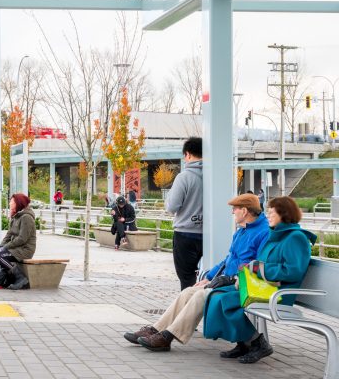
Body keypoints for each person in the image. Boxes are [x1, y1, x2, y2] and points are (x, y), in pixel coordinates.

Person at [125, 193, 270, 352]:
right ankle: (156, 329)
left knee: (201, 295)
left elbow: (257, 264)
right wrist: (208, 277)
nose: (232, 212)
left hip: (240, 283)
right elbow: (227, 260)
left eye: (234, 209)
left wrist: (230, 278)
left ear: (244, 211)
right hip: (226, 280)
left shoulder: (263, 232)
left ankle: (168, 336)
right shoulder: (241, 231)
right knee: (188, 292)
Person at [203, 196, 316, 364]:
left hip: (279, 293)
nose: (268, 215)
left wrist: (258, 268)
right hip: (267, 287)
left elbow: (293, 271)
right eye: (268, 211)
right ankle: (243, 343)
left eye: (272, 212)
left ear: (284, 214)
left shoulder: (295, 238)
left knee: (224, 299)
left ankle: (258, 343)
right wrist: (251, 270)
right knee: (216, 294)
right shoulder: (277, 235)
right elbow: (261, 263)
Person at [165, 137, 204, 290]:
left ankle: (188, 311)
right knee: (207, 279)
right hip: (209, 235)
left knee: (187, 279)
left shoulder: (184, 177)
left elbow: (172, 206)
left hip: (185, 234)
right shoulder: (214, 176)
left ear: (187, 154)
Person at [0, 193, 36, 290]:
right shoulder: (16, 216)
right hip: (16, 248)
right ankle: (9, 279)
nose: (10, 203)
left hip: (25, 250)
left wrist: (6, 247)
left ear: (18, 203)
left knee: (0, 256)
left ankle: (21, 279)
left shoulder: (26, 217)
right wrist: (2, 246)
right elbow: (9, 235)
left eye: (11, 201)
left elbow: (22, 238)